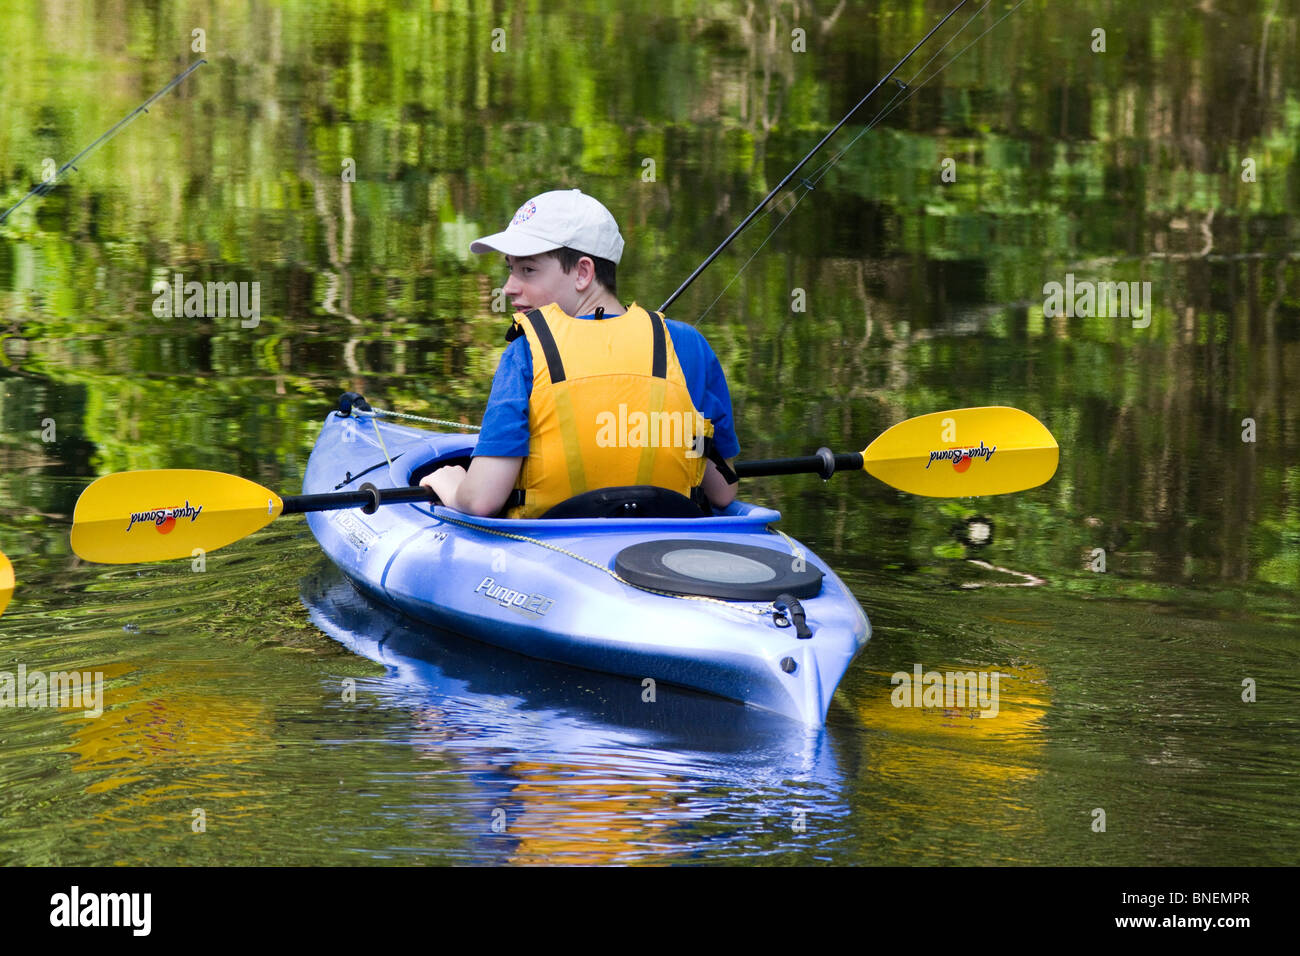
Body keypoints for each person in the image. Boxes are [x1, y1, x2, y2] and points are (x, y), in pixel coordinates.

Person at [421, 189, 739, 518]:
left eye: (528, 270)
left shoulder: (526, 351)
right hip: (663, 546)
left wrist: (452, 484)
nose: (509, 287)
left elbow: (481, 501)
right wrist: (675, 440)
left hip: (549, 551)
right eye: (510, 269)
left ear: (583, 273)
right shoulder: (687, 345)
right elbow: (722, 490)